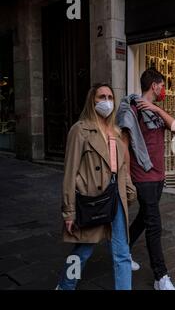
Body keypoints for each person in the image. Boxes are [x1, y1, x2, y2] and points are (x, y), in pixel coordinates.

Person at [56, 83, 137, 290]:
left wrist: (129, 189)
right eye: (102, 97)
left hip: (116, 197)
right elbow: (69, 172)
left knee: (122, 252)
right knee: (83, 250)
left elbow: (121, 168)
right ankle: (65, 286)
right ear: (93, 100)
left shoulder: (116, 132)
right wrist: (69, 212)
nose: (107, 101)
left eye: (110, 97)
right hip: (92, 199)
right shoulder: (80, 130)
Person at [118, 68, 175, 290]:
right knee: (154, 224)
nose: (163, 89)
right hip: (142, 175)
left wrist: (155, 107)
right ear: (154, 85)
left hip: (159, 175)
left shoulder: (155, 110)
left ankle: (122, 251)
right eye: (162, 85)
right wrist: (126, 175)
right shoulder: (132, 109)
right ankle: (160, 277)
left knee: (144, 218)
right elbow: (125, 143)